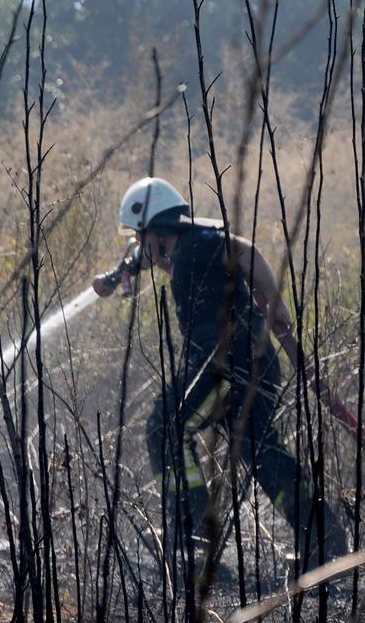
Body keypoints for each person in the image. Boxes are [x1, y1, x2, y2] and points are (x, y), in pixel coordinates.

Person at [94, 177, 348, 574]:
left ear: (157, 228)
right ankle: (324, 537)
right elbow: (154, 258)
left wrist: (276, 301)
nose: (141, 244)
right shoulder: (185, 247)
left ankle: (192, 542)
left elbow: (244, 248)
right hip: (251, 363)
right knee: (260, 452)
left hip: (226, 367)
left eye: (142, 235)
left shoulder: (198, 247)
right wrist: (119, 274)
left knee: (166, 426)